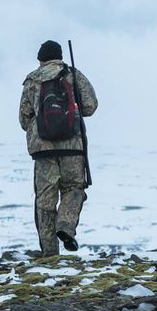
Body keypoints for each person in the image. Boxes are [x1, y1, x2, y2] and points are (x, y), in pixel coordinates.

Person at [19, 40, 98, 256]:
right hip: (73, 145)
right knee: (74, 188)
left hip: (43, 149)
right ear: (60, 56)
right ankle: (65, 226)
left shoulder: (32, 80)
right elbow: (90, 106)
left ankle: (50, 254)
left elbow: (24, 118)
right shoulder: (73, 75)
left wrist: (40, 132)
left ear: (40, 58)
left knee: (45, 200)